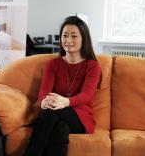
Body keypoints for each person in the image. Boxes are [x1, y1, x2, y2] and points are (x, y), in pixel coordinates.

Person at [24, 16, 102, 156]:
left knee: (50, 112)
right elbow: (43, 93)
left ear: (83, 38)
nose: (68, 40)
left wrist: (65, 101)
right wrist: (44, 102)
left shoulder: (92, 66)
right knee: (60, 129)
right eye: (65, 35)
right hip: (55, 113)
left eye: (74, 36)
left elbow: (87, 95)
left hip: (80, 117)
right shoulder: (53, 65)